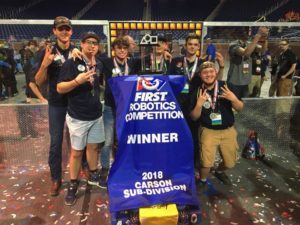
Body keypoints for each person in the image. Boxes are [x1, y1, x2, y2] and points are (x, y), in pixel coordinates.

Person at [57, 32, 105, 206]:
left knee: (93, 148)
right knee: (76, 152)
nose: (92, 46)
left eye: (95, 43)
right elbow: (60, 88)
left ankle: (93, 174)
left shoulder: (98, 63)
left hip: (96, 115)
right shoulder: (72, 62)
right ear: (82, 44)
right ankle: (73, 184)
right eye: (89, 42)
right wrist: (76, 81)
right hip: (78, 116)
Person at [169, 33, 224, 179]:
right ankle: (177, 163)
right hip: (178, 106)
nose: (192, 47)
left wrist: (222, 66)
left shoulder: (203, 64)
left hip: (197, 105)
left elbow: (213, 81)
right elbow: (169, 83)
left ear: (198, 47)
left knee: (194, 138)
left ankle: (192, 165)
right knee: (177, 136)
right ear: (185, 46)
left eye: (195, 44)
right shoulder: (175, 62)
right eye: (190, 44)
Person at [34, 16, 78, 196]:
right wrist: (45, 65)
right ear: (54, 31)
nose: (64, 31)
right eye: (61, 29)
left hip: (75, 103)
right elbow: (38, 81)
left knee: (77, 141)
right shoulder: (47, 52)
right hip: (57, 104)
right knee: (56, 142)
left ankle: (78, 172)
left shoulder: (77, 51)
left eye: (67, 28)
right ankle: (56, 178)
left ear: (71, 31)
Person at [190, 61, 244, 186]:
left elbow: (240, 108)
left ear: (216, 72)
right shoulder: (197, 91)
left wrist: (234, 99)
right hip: (208, 131)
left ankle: (219, 171)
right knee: (206, 162)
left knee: (230, 163)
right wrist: (198, 104)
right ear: (200, 75)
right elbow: (193, 117)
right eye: (205, 72)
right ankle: (203, 180)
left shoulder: (226, 86)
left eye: (211, 71)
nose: (208, 74)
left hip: (228, 130)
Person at [100, 37, 139, 185]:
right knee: (108, 141)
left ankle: (122, 166)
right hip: (111, 107)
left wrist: (165, 53)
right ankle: (104, 169)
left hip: (127, 108)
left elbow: (151, 57)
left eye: (124, 48)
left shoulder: (133, 63)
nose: (122, 50)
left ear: (128, 49)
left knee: (124, 139)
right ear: (114, 49)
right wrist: (75, 51)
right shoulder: (106, 62)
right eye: (119, 48)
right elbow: (91, 62)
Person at [227, 27, 269, 98]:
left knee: (245, 104)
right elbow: (245, 53)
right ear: (237, 35)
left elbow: (263, 51)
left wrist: (265, 37)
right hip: (235, 81)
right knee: (234, 104)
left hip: (246, 81)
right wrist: (258, 35)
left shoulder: (248, 44)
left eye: (247, 32)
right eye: (243, 32)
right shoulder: (233, 45)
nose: (246, 34)